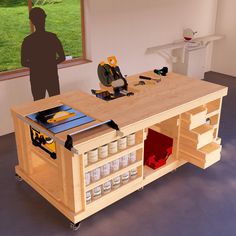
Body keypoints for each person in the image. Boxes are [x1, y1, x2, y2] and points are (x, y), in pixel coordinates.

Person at [21, 7, 65, 101]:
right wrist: (51, 64)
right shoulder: (52, 37)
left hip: (36, 76)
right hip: (51, 74)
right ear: (44, 19)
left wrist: (37, 65)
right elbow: (62, 57)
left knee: (39, 104)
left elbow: (23, 62)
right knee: (56, 102)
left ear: (32, 21)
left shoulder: (28, 41)